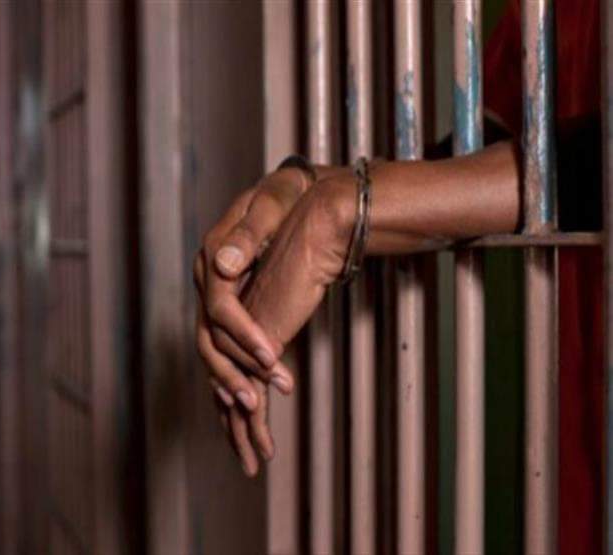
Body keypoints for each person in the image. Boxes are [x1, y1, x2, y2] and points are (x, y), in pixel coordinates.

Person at [194, 0, 602, 552]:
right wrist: (305, 189)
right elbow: (474, 166)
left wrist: (341, 214)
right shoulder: (547, 12)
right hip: (577, 459)